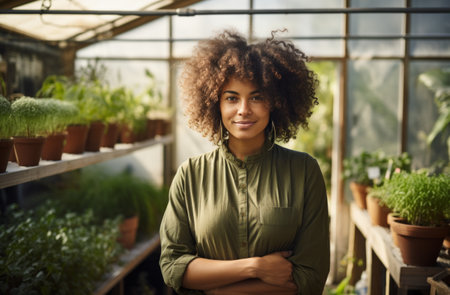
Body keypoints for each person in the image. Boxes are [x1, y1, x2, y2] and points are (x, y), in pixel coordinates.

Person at [159, 29, 330, 295]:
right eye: (231, 98)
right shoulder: (190, 175)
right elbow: (172, 268)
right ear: (214, 103)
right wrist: (254, 267)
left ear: (276, 103)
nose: (243, 109)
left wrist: (216, 290)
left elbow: (310, 277)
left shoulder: (304, 171)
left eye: (257, 97)